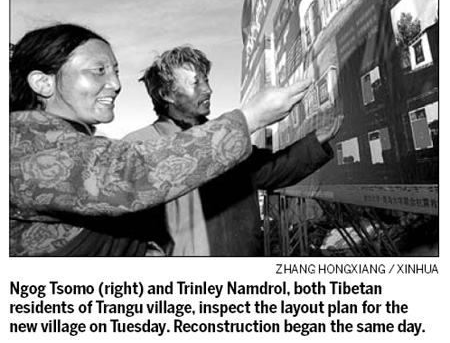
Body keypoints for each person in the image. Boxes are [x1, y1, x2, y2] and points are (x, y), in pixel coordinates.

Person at [9, 23, 312, 257]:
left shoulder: (84, 147)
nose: (115, 84)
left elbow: (267, 171)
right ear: (43, 82)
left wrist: (319, 142)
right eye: (99, 71)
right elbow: (129, 176)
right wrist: (249, 118)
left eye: (115, 71)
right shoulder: (24, 148)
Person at [124, 46, 343, 256]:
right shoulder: (139, 147)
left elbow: (270, 171)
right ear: (167, 94)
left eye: (206, 80)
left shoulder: (229, 140)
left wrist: (316, 142)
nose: (208, 89)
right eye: (195, 83)